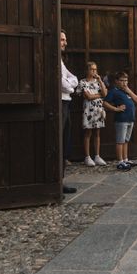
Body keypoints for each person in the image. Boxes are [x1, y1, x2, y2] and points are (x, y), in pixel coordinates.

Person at [103, 71, 137, 170]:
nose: (124, 83)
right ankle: (120, 162)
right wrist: (116, 109)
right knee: (120, 141)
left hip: (130, 119)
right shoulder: (114, 91)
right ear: (116, 81)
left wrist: (129, 91)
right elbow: (105, 103)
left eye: (126, 80)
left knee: (126, 141)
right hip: (121, 120)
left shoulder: (127, 90)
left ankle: (125, 159)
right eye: (122, 80)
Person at [76, 61, 108, 167]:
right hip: (88, 110)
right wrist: (99, 95)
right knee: (88, 133)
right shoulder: (82, 82)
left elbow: (105, 94)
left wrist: (100, 81)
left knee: (97, 133)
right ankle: (87, 157)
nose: (94, 71)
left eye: (95, 69)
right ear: (87, 70)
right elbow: (88, 97)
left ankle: (97, 156)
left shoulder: (98, 81)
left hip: (98, 110)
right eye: (92, 69)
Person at [60, 30, 78, 194]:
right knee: (59, 142)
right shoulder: (55, 60)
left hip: (66, 102)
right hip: (60, 103)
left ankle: (61, 180)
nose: (65, 43)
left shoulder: (61, 61)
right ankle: (58, 182)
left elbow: (73, 78)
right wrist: (70, 86)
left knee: (65, 142)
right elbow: (64, 84)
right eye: (62, 40)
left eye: (65, 39)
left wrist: (69, 84)